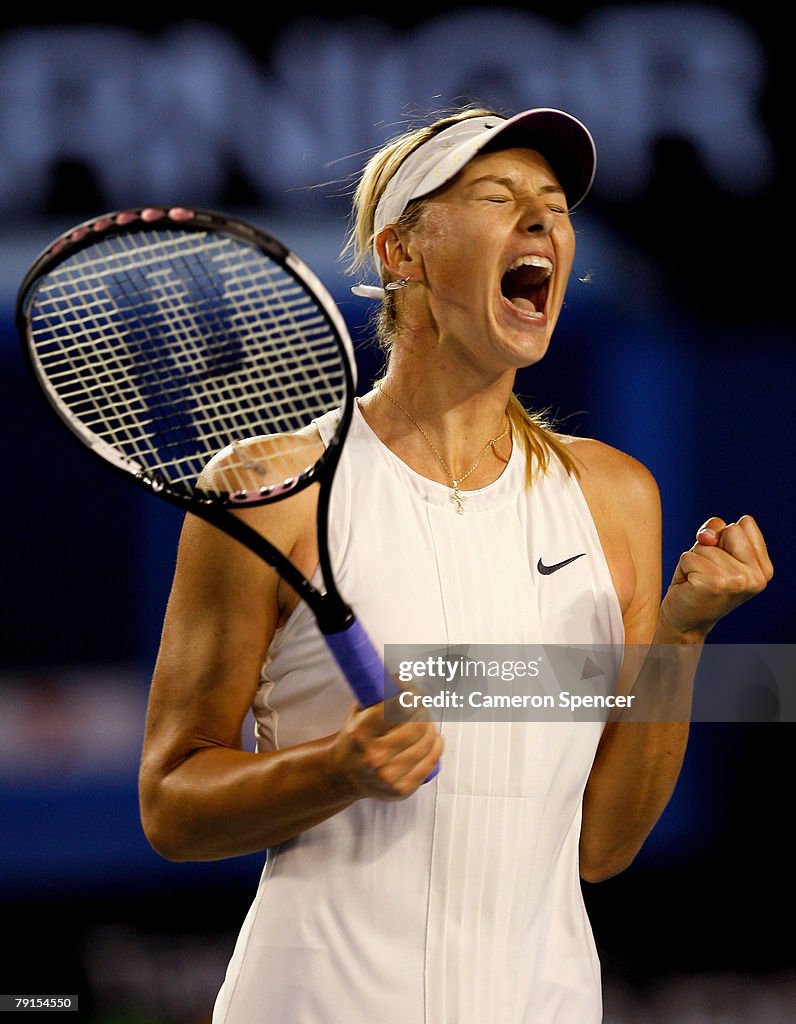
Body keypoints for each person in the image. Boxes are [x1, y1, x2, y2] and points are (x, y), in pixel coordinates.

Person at [138, 106, 773, 1023]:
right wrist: (336, 770)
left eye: (554, 207)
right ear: (405, 254)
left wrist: (683, 637)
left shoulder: (615, 499)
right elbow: (171, 803)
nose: (542, 224)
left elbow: (604, 844)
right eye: (496, 196)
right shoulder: (268, 489)